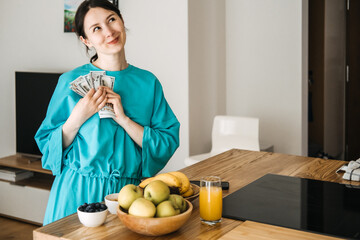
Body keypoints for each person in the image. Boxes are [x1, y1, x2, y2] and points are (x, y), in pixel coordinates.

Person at [35, 0, 180, 225]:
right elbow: (46, 144)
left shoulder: (148, 83)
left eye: (112, 20)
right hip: (76, 191)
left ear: (122, 21)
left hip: (128, 197)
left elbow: (167, 141)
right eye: (96, 28)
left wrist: (124, 120)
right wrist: (78, 116)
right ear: (86, 40)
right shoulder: (69, 82)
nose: (109, 32)